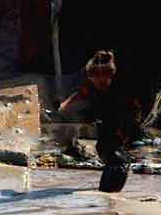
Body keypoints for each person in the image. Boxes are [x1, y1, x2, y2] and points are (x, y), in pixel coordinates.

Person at [57, 51, 141, 193]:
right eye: (96, 79)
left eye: (103, 79)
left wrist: (126, 129)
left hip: (123, 116)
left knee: (113, 152)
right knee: (103, 148)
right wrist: (64, 106)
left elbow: (134, 109)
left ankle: (110, 191)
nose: (100, 83)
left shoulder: (122, 89)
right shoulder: (91, 84)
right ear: (90, 77)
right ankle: (107, 193)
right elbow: (80, 94)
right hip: (106, 116)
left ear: (110, 76)